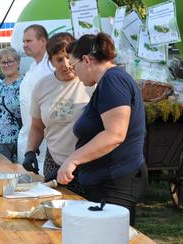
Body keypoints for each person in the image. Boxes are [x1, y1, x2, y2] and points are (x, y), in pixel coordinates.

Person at [57, 33, 148, 225]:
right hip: (108, 180)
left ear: (86, 60)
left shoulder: (112, 80)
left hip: (116, 182)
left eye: (74, 66)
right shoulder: (110, 80)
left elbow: (114, 134)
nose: (74, 72)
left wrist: (73, 160)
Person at [24, 33, 94, 181]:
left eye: (69, 57)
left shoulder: (90, 83)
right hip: (54, 161)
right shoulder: (42, 86)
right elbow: (37, 126)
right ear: (50, 61)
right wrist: (30, 151)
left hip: (87, 163)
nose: (66, 64)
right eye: (59, 59)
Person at [17, 24, 53, 175]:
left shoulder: (50, 68)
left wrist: (36, 142)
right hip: (27, 136)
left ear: (43, 41)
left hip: (44, 142)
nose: (24, 45)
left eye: (29, 41)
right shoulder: (32, 66)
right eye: (23, 41)